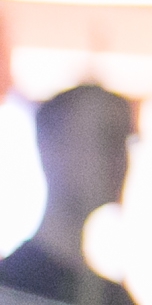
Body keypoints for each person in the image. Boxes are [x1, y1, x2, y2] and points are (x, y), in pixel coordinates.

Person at [0, 84, 135, 305]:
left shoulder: (114, 298)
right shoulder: (9, 288)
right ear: (51, 148)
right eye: (107, 137)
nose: (121, 159)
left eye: (125, 141)